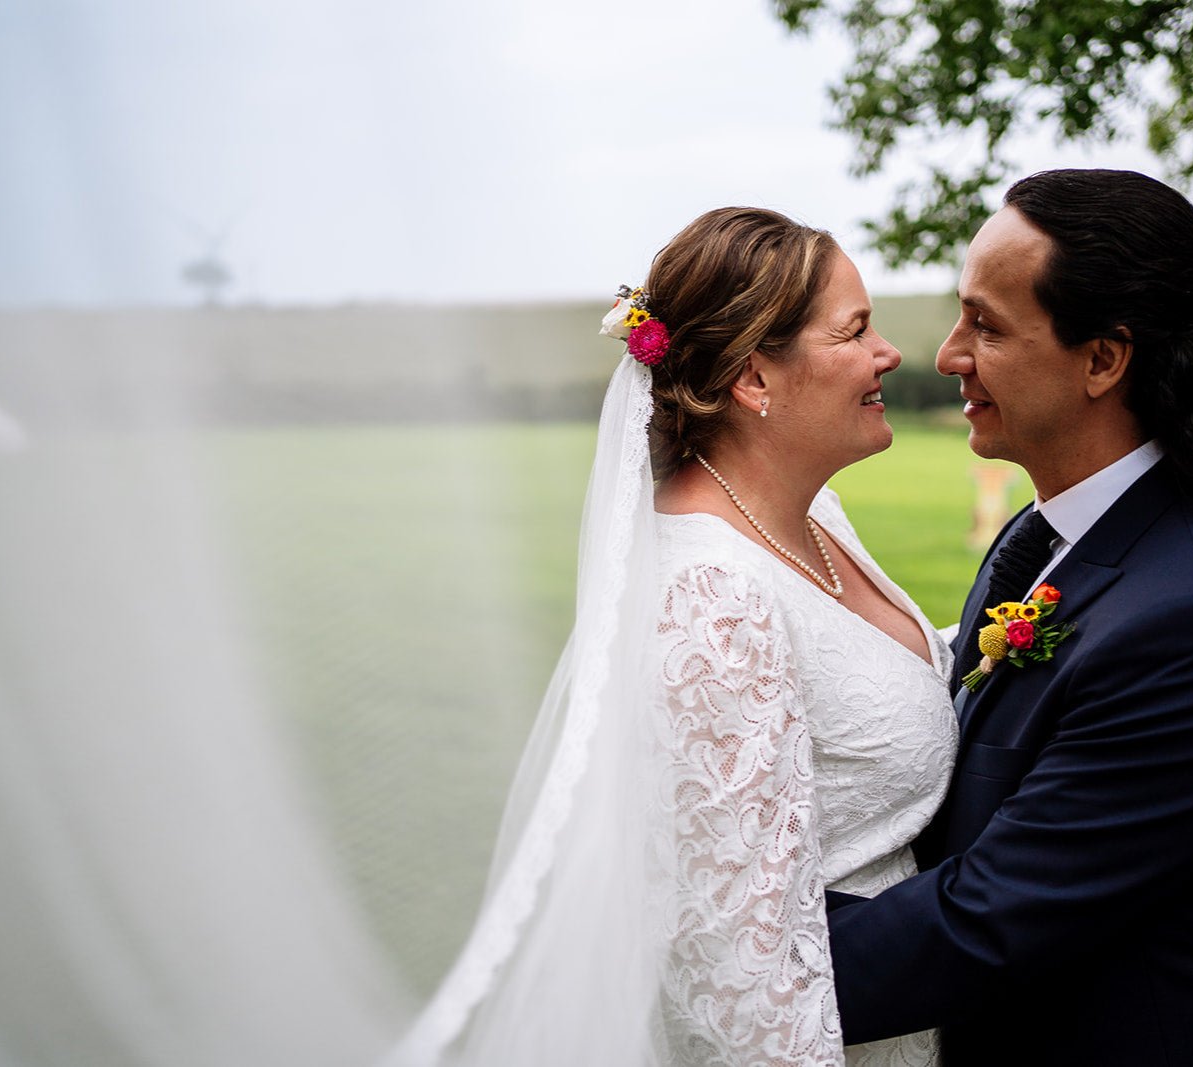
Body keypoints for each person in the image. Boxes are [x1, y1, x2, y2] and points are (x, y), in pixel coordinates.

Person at [824, 169, 1193, 1066]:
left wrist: (726, 959)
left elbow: (990, 918)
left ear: (1102, 359)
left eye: (987, 326)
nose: (948, 355)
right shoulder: (1053, 534)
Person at [391, 207, 958, 1066]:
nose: (889, 354)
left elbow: (853, 679)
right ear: (753, 379)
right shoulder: (710, 596)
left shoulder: (815, 520)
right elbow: (736, 970)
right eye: (855, 331)